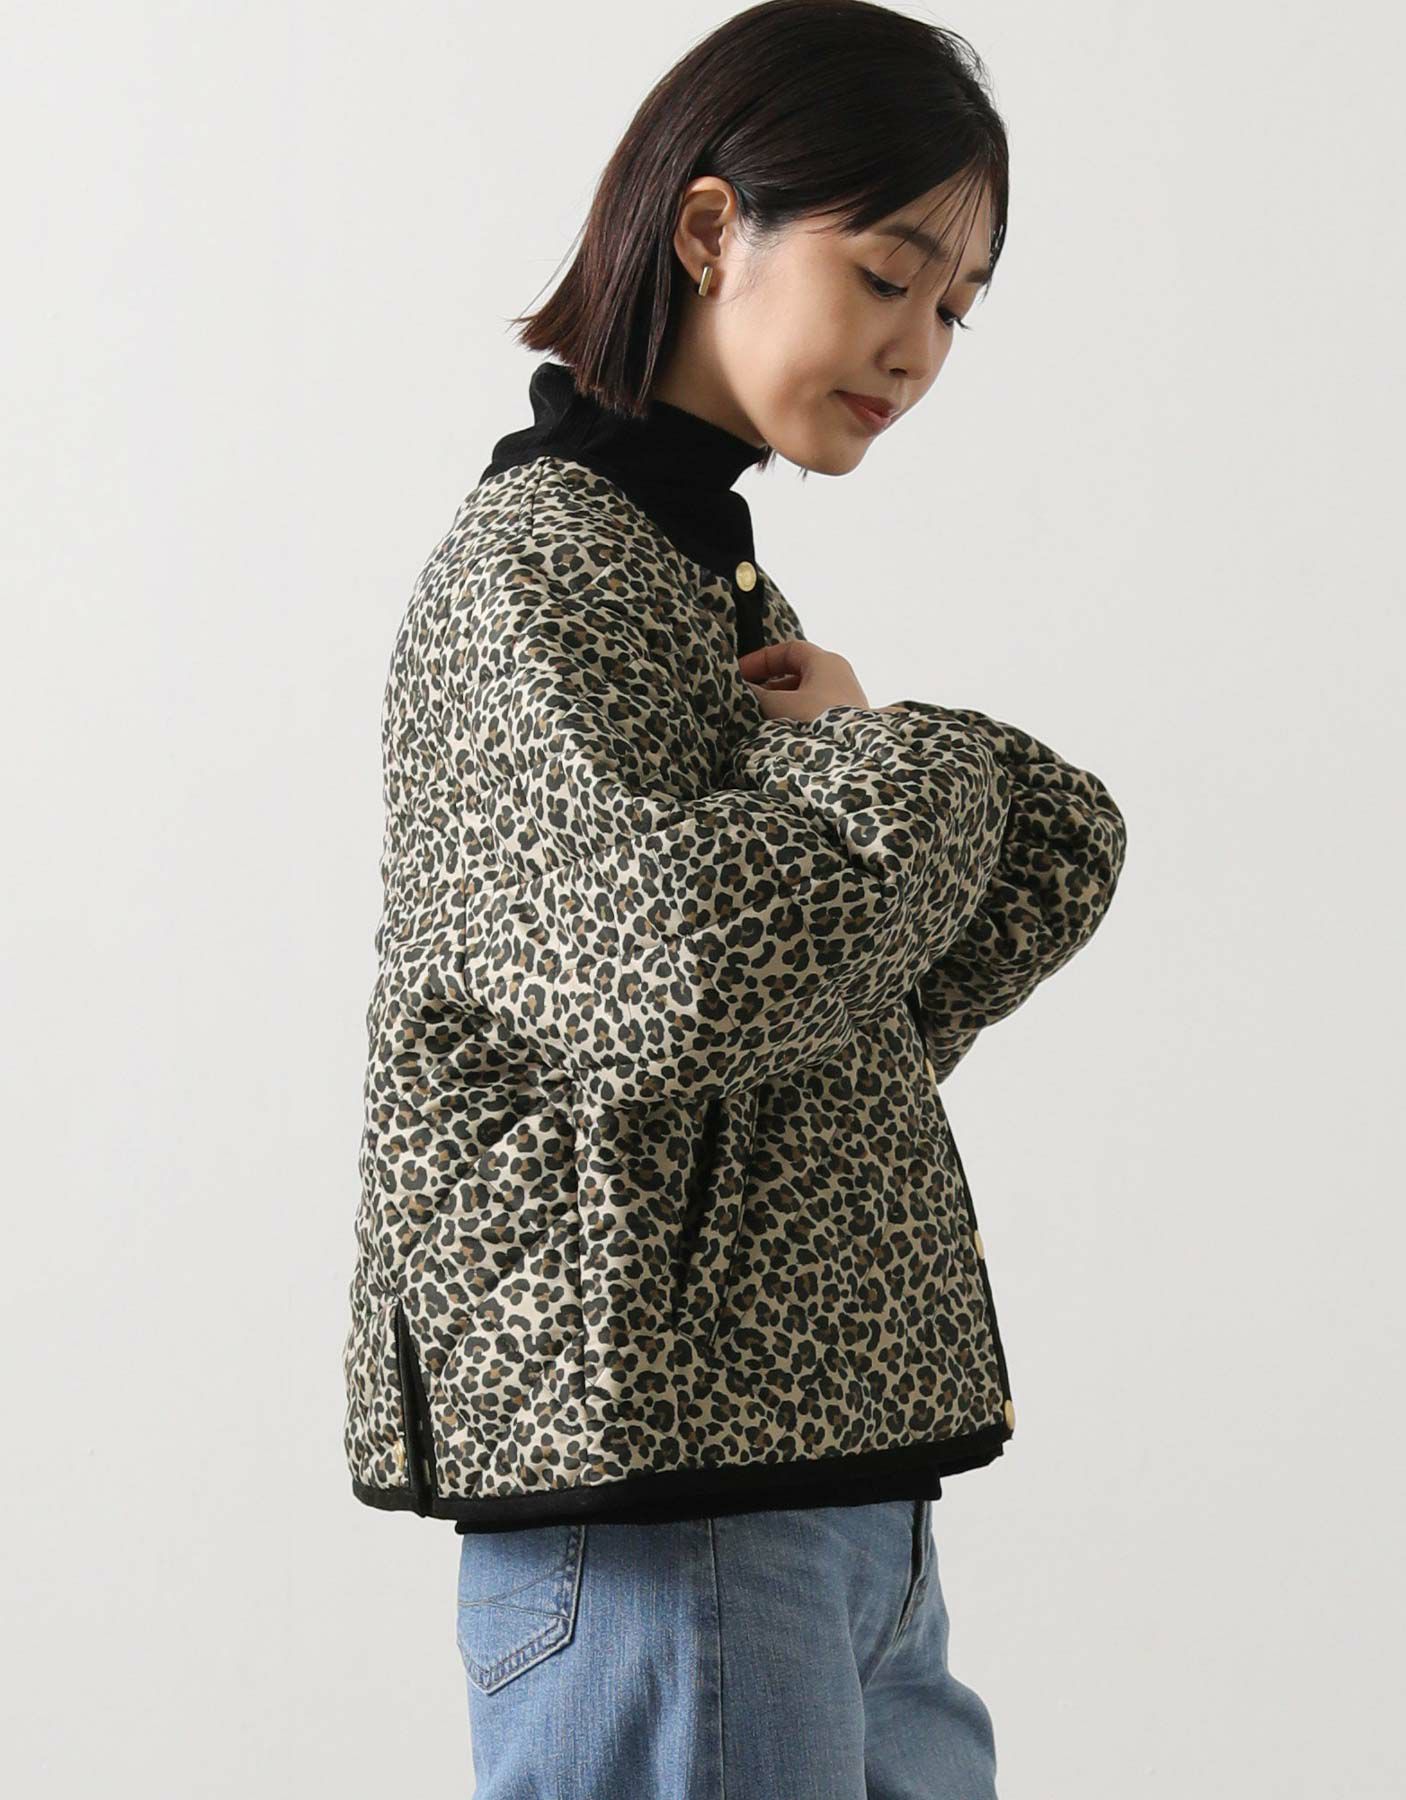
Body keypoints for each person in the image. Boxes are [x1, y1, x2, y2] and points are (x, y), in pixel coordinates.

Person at [340, 4, 1128, 1794]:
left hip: (817, 1478)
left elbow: (895, 965)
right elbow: (678, 979)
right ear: (712, 230)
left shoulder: (700, 574)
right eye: (888, 275)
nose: (919, 345)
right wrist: (888, 757)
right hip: (670, 1501)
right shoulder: (539, 574)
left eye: (959, 308)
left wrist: (873, 780)